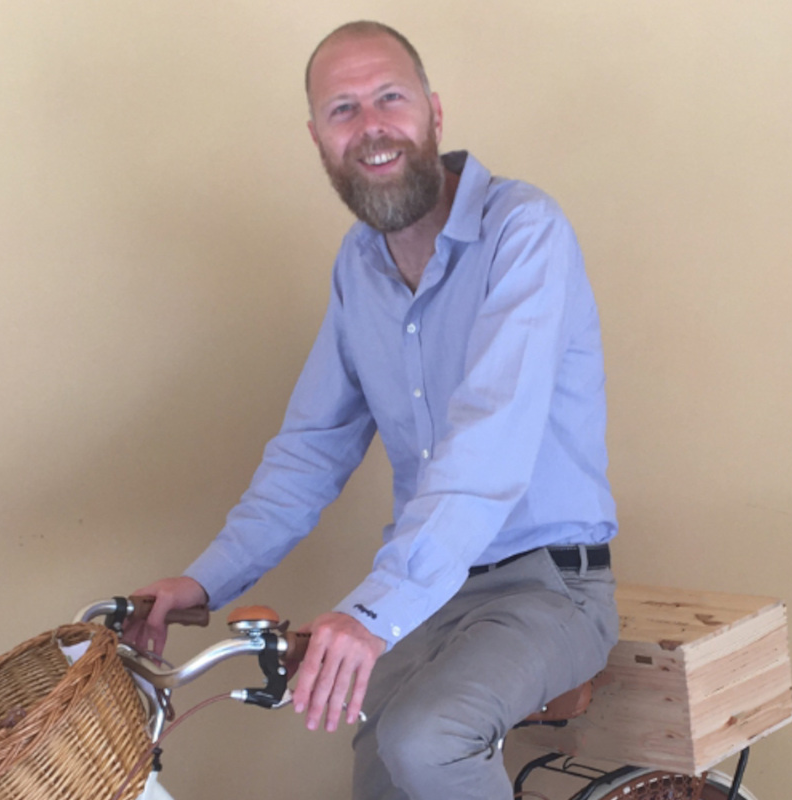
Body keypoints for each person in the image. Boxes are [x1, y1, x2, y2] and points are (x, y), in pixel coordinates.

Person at [127, 20, 620, 800]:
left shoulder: (523, 231)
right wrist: (203, 581)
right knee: (381, 776)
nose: (371, 126)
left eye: (390, 97)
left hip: (547, 588)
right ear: (318, 139)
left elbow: (486, 450)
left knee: (426, 739)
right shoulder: (359, 266)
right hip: (433, 595)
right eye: (343, 109)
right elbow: (310, 450)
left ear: (434, 111)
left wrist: (373, 611)